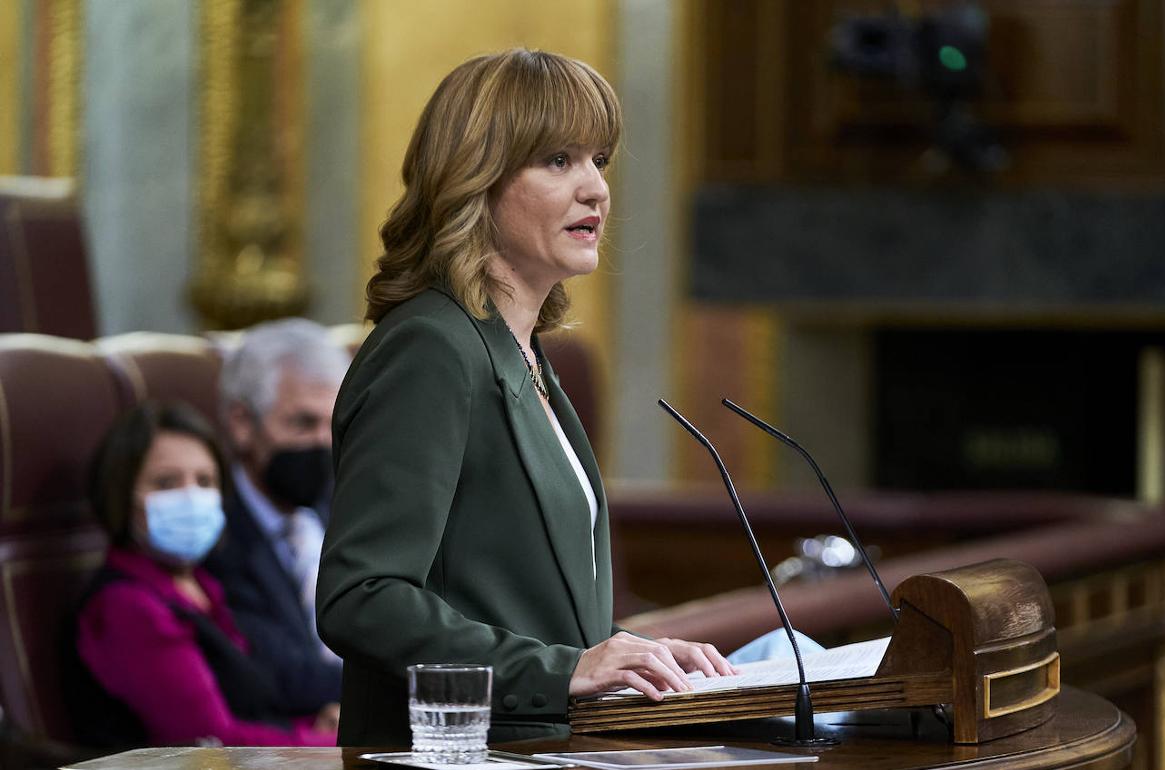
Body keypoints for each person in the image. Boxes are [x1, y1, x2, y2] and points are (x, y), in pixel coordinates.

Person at [316, 48, 736, 747]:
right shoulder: (431, 348)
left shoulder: (522, 352)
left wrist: (634, 653)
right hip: (452, 754)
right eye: (558, 160)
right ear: (474, 179)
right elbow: (362, 599)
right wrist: (564, 668)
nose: (596, 189)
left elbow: (517, 598)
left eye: (600, 160)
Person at [69, 401, 337, 747]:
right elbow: (211, 743)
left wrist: (317, 724)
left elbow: (250, 707)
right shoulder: (126, 606)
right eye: (166, 483)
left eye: (205, 481)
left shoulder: (202, 586)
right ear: (121, 494)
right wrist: (332, 740)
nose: (191, 496)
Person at [204, 318, 349, 716]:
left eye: (333, 425)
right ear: (241, 423)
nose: (323, 443)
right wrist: (405, 681)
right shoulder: (212, 535)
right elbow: (278, 674)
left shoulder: (345, 506)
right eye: (303, 423)